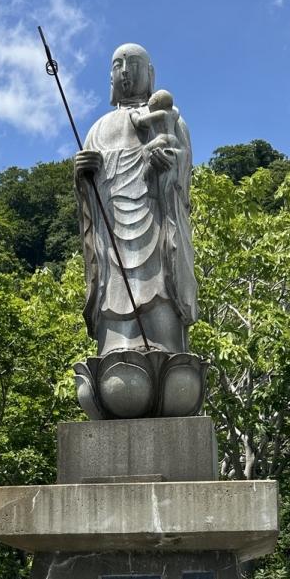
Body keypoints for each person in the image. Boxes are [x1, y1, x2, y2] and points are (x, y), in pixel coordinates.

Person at [74, 44, 197, 358]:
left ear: (150, 74)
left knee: (161, 303)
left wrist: (167, 165)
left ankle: (165, 351)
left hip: (156, 237)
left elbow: (182, 174)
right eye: (118, 65)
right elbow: (90, 198)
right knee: (112, 309)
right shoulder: (98, 129)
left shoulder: (168, 120)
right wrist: (84, 175)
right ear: (110, 77)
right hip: (111, 241)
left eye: (134, 64)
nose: (126, 71)